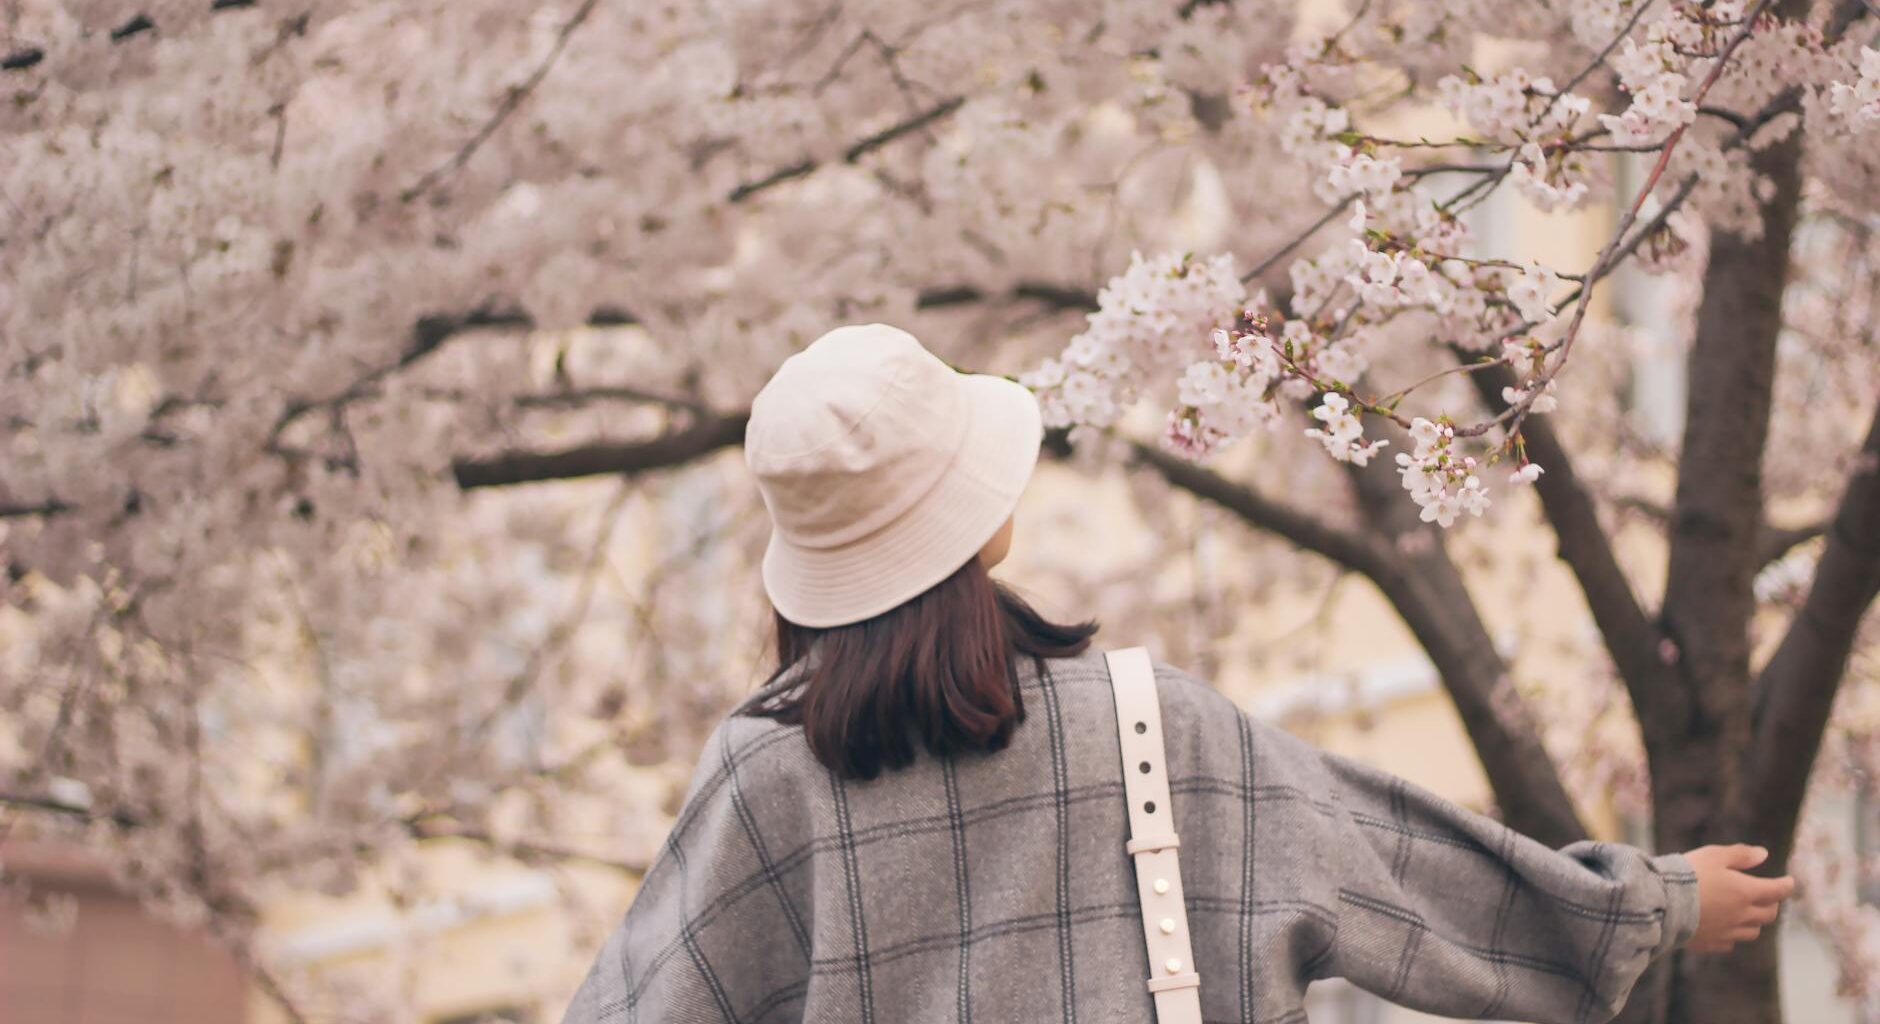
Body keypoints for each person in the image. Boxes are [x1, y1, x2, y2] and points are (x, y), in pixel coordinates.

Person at [561, 323, 1794, 1024]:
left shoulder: (764, 775)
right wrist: (1653, 898)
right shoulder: (1150, 727)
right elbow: (1397, 871)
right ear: (983, 521)